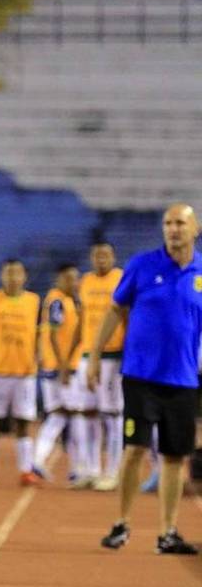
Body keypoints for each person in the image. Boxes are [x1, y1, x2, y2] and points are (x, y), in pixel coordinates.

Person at [94, 204, 202, 555]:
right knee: (135, 449)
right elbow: (115, 310)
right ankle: (121, 524)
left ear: (195, 229)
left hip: (184, 379)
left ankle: (167, 532)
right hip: (141, 376)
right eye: (168, 223)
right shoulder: (142, 265)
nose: (174, 229)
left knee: (174, 457)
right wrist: (94, 355)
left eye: (181, 223)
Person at [0, 259, 41, 487]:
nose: (13, 277)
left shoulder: (34, 302)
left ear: (25, 276)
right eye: (8, 273)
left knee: (23, 423)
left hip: (24, 373)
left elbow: (40, 335)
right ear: (2, 276)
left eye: (17, 273)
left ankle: (25, 470)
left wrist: (39, 360)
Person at [72, 243, 126, 491]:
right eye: (97, 255)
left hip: (113, 355)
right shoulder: (85, 281)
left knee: (112, 415)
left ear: (113, 257)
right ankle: (91, 469)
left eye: (106, 255)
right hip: (87, 355)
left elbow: (127, 316)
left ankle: (113, 470)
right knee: (87, 413)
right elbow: (81, 319)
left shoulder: (121, 279)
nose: (101, 259)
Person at [31, 264, 81, 480]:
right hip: (61, 368)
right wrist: (63, 366)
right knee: (69, 415)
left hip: (56, 366)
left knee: (61, 417)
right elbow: (52, 335)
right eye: (69, 278)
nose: (74, 283)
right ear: (59, 279)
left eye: (76, 278)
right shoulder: (58, 301)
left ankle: (47, 462)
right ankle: (75, 468)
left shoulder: (65, 301)